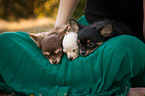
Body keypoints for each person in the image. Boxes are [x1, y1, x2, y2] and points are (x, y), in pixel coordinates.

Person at [0, 0, 144, 96]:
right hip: (83, 29)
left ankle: (116, 88)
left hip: (122, 38)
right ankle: (97, 84)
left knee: (122, 50)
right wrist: (58, 29)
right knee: (6, 41)